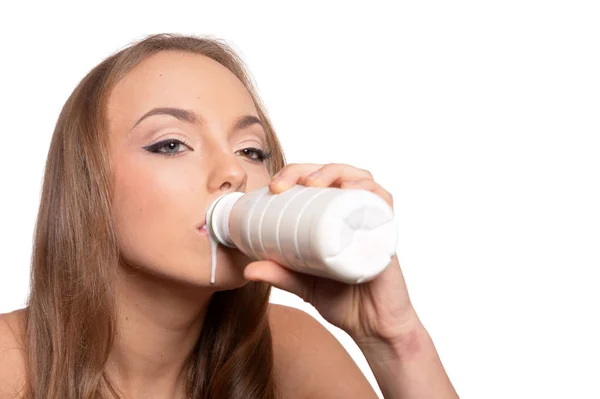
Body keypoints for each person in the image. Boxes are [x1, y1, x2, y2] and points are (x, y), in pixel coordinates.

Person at [0, 33, 458, 399]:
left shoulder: (293, 351)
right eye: (171, 144)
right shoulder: (9, 365)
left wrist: (395, 341)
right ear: (88, 184)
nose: (234, 172)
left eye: (251, 150)